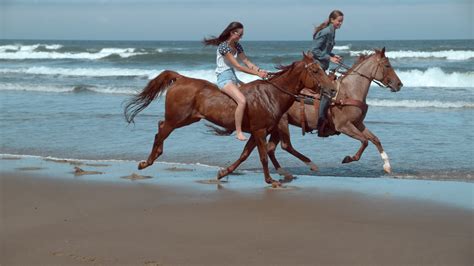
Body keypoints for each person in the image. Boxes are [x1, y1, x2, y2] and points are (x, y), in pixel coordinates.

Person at [203, 22, 268, 141]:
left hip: (233, 77)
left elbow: (246, 61)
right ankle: (238, 131)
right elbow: (238, 66)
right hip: (224, 78)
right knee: (242, 101)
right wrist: (257, 74)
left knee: (253, 95)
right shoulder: (224, 46)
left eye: (242, 35)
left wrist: (260, 70)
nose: (241, 37)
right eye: (240, 34)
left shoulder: (237, 46)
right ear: (232, 33)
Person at [312, 10, 344, 137]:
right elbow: (314, 50)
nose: (340, 23)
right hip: (317, 67)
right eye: (339, 21)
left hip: (323, 67)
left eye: (342, 21)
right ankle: (321, 122)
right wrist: (330, 58)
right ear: (332, 20)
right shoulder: (326, 32)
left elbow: (323, 50)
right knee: (328, 91)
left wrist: (332, 55)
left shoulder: (332, 31)